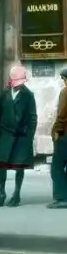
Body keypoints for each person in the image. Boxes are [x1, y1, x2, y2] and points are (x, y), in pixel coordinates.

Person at [0, 65, 37, 207]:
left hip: (21, 137)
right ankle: (2, 193)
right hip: (4, 135)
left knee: (19, 166)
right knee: (1, 165)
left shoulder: (28, 95)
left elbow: (33, 117)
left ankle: (16, 194)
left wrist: (29, 136)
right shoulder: (4, 94)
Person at [49, 67, 67, 209]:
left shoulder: (65, 92)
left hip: (64, 136)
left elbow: (62, 114)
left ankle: (62, 198)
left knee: (57, 167)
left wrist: (56, 130)